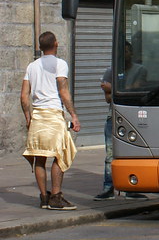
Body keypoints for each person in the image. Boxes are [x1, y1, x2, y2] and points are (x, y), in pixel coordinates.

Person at [21, 31, 80, 210]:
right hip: (54, 114)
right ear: (56, 43)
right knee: (60, 154)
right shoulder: (60, 64)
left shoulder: (31, 66)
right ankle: (56, 196)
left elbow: (24, 96)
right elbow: (63, 91)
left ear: (40, 46)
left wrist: (28, 118)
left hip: (38, 115)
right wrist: (73, 115)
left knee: (39, 158)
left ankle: (44, 198)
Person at [94, 44, 148, 201]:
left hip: (133, 117)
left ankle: (132, 187)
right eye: (121, 51)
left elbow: (135, 90)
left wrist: (113, 88)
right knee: (110, 154)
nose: (124, 54)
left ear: (132, 53)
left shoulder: (140, 70)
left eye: (127, 51)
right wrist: (117, 91)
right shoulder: (112, 70)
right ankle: (108, 187)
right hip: (113, 116)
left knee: (133, 153)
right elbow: (108, 98)